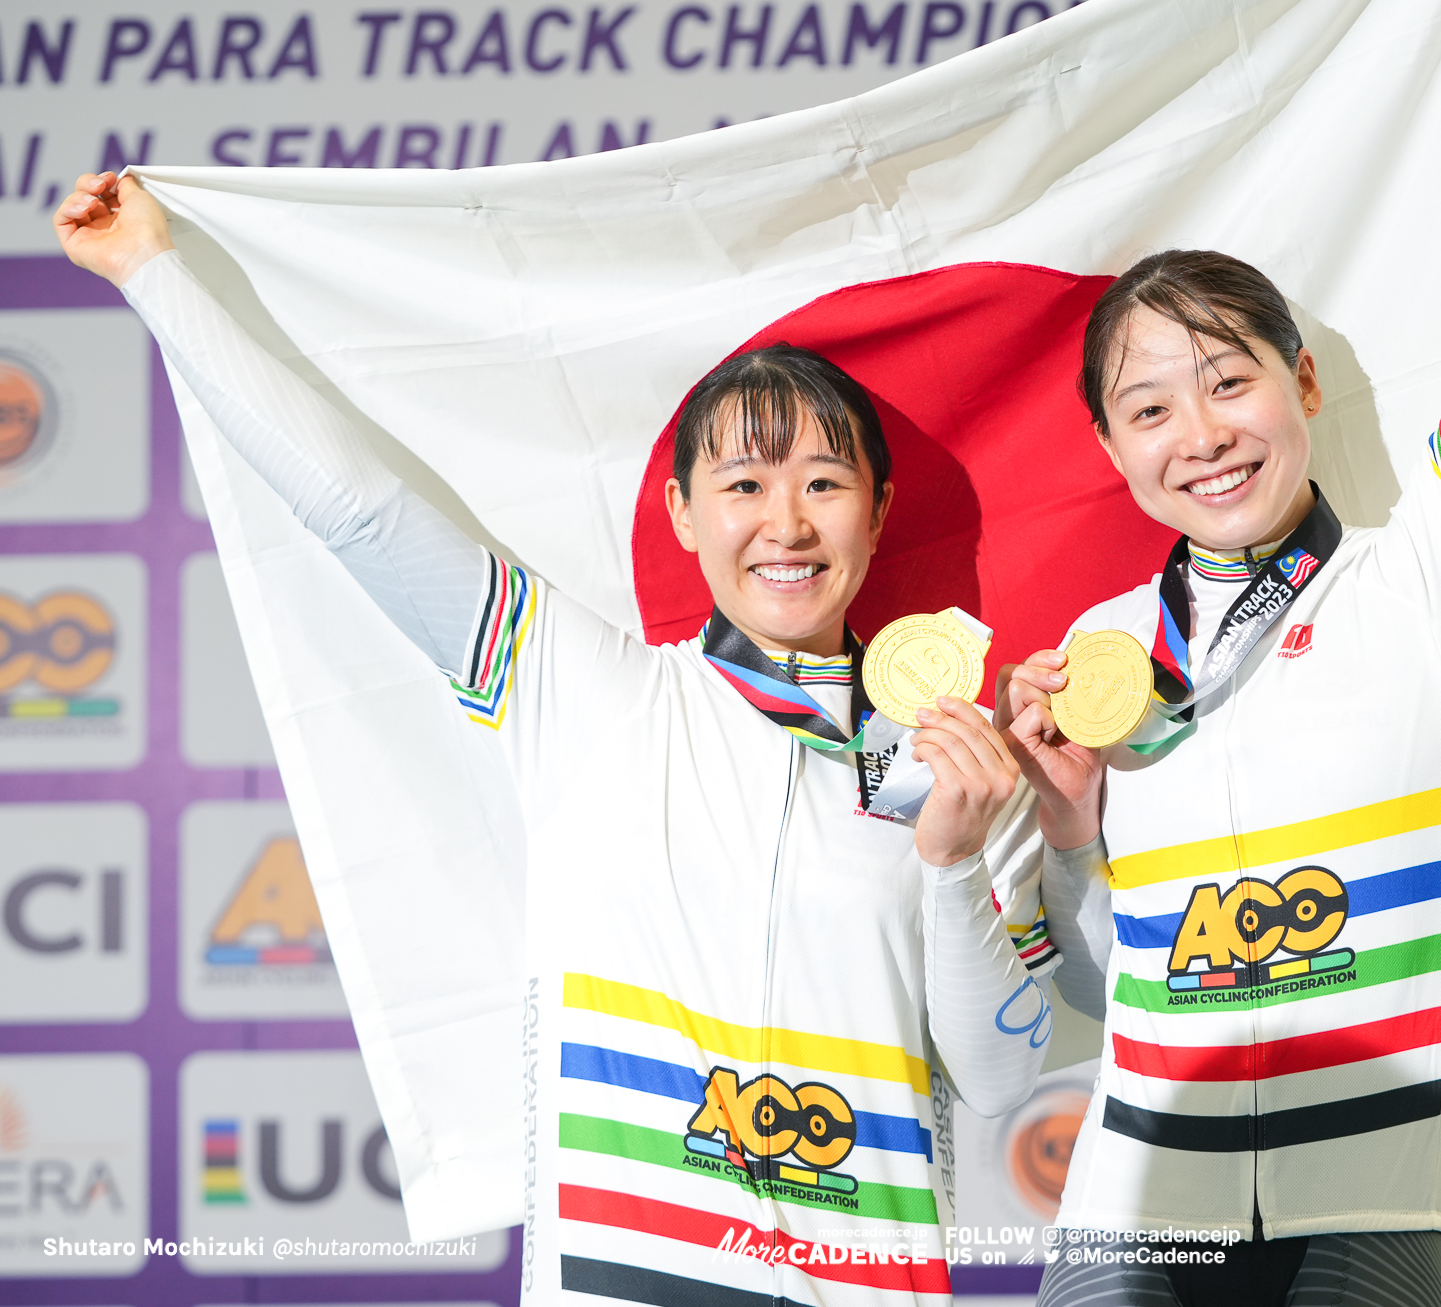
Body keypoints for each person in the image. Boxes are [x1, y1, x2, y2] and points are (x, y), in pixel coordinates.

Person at [57, 172, 1059, 1306]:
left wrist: (951, 862)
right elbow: (359, 508)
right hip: (630, 1275)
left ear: (876, 514)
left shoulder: (959, 770)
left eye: (824, 481)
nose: (785, 521)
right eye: (743, 482)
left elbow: (996, 1073)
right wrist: (153, 273)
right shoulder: (585, 690)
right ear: (681, 512)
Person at [993, 0, 1441, 1303]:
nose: (1203, 431)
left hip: (1379, 1197)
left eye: (1231, 380)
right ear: (1113, 452)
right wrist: (1065, 827)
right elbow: (1101, 979)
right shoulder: (1103, 651)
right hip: (1131, 1219)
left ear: (1305, 385)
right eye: (1151, 407)